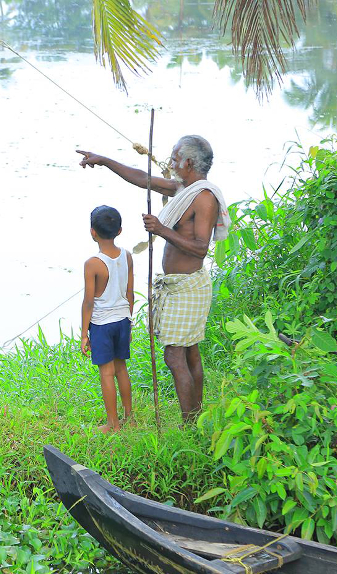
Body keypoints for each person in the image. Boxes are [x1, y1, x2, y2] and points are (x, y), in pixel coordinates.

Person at [76, 136, 230, 422]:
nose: (170, 161)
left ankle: (189, 425)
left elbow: (200, 247)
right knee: (190, 352)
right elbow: (143, 179)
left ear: (188, 162)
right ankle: (195, 418)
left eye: (174, 157)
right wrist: (105, 161)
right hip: (177, 286)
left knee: (176, 356)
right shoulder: (185, 189)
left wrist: (161, 229)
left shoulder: (204, 197)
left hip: (188, 287)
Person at [81, 206, 135, 434]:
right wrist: (129, 319)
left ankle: (112, 424)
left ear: (92, 231)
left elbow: (89, 302)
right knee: (121, 368)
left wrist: (84, 334)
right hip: (123, 319)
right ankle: (129, 418)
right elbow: (130, 292)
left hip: (102, 324)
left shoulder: (93, 263)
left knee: (107, 372)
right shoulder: (127, 256)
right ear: (120, 230)